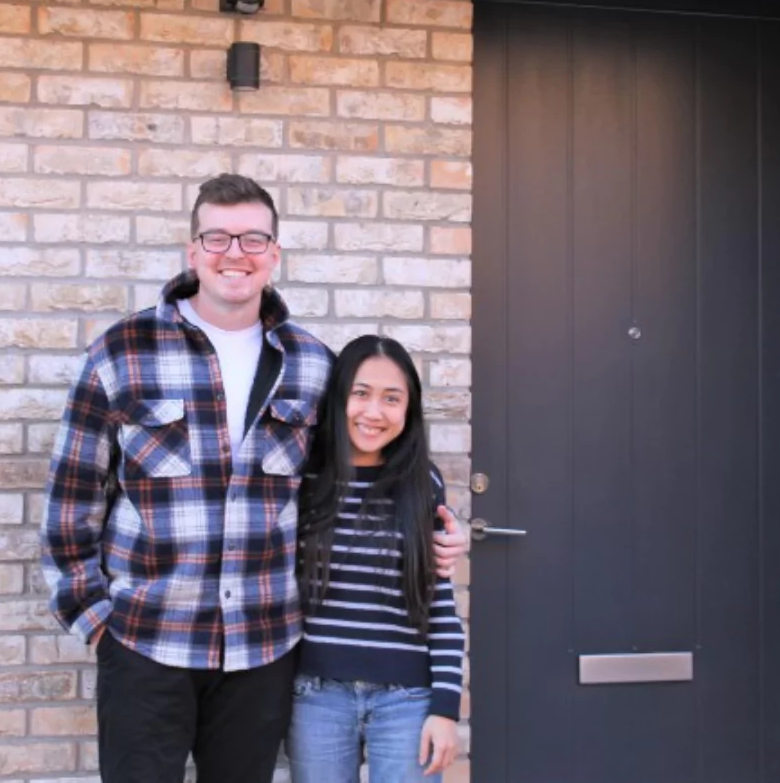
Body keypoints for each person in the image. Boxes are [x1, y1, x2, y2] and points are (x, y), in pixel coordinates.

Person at [39, 174, 468, 783]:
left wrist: (442, 528)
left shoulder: (312, 365)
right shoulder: (123, 350)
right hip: (145, 641)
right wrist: (96, 619)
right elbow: (71, 499)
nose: (234, 253)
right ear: (192, 251)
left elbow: (369, 468)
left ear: (274, 254)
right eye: (217, 237)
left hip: (262, 650)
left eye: (252, 239)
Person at [287, 335, 465, 783]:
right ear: (338, 398)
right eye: (360, 393)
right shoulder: (302, 478)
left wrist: (445, 709)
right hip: (317, 697)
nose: (374, 412)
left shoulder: (423, 483)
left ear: (409, 409)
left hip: (407, 701)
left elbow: (440, 605)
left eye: (392, 398)